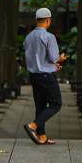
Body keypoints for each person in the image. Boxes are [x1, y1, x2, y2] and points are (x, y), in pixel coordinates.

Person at [23, 7, 67, 145]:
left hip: (34, 75)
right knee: (56, 104)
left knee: (40, 106)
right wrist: (60, 59)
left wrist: (53, 65)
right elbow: (54, 57)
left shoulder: (28, 37)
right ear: (48, 20)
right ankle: (33, 126)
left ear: (37, 20)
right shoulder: (49, 37)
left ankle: (41, 136)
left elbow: (33, 58)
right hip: (46, 76)